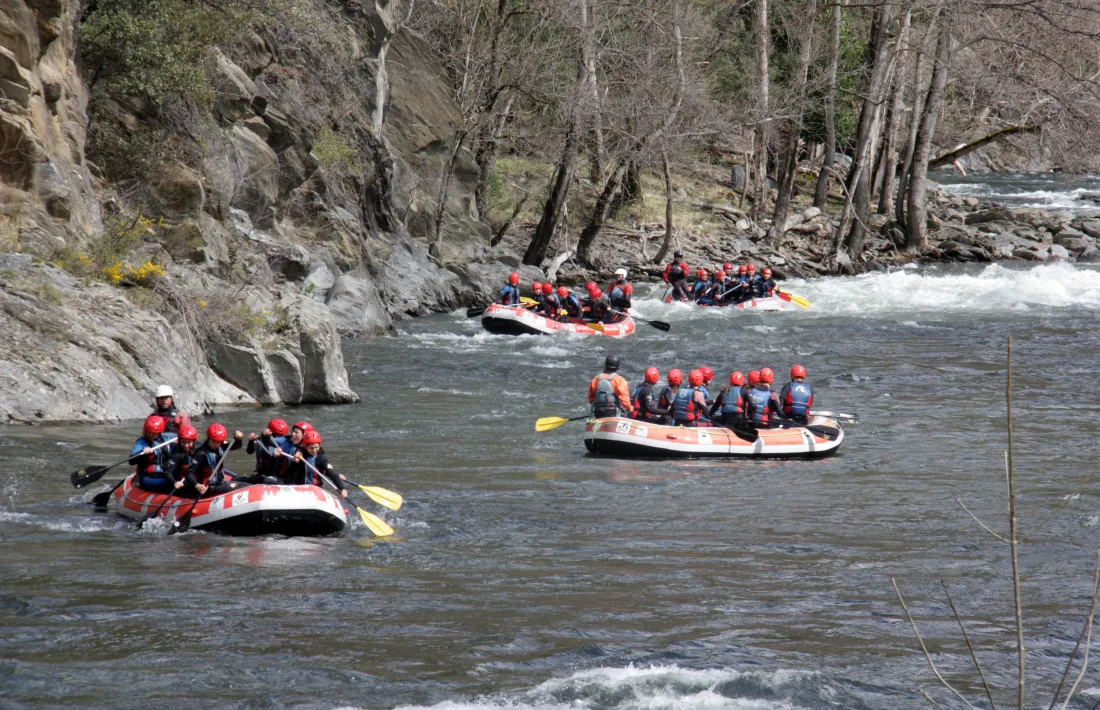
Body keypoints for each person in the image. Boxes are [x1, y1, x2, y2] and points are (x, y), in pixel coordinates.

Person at [184, 423, 244, 497]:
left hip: (218, 482)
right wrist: (198, 486)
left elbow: (236, 446)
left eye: (218, 442)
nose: (215, 444)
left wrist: (238, 439)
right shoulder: (200, 453)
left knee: (244, 482)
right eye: (213, 441)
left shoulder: (220, 446)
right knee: (241, 486)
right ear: (208, 438)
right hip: (207, 487)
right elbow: (189, 474)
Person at [288, 431, 348, 498]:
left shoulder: (321, 457)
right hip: (298, 487)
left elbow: (332, 474)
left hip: (315, 489)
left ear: (319, 445)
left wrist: (343, 489)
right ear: (305, 447)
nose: (314, 450)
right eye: (311, 448)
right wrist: (294, 461)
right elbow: (289, 471)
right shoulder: (299, 454)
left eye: (316, 447)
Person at [129, 415, 175, 493]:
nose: (151, 435)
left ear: (160, 432)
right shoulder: (141, 442)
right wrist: (143, 453)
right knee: (170, 482)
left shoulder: (167, 440)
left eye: (154, 433)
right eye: (149, 432)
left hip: (166, 474)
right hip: (148, 477)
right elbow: (131, 461)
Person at [244, 418, 293, 483]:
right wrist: (251, 441)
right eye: (275, 435)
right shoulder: (261, 440)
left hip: (278, 477)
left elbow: (273, 447)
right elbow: (249, 451)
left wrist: (264, 437)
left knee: (266, 480)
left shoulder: (286, 442)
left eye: (280, 436)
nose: (278, 437)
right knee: (243, 478)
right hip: (262, 473)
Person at [162, 425, 199, 492]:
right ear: (179, 441)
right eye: (183, 442)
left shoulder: (198, 449)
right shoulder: (176, 455)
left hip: (193, 479)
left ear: (194, 442)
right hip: (181, 482)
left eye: (189, 442)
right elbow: (167, 472)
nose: (186, 445)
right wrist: (174, 482)